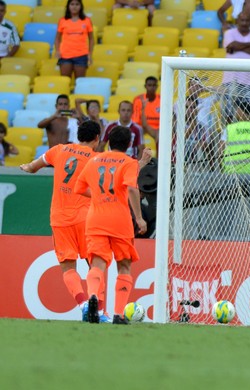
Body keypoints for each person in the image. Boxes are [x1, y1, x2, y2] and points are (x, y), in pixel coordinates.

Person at [19, 121, 102, 321]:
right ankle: (98, 309)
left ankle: (83, 305)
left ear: (78, 135)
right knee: (95, 265)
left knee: (68, 267)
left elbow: (33, 167)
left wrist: (26, 166)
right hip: (85, 218)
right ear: (97, 139)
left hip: (60, 218)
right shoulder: (97, 158)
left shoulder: (59, 150)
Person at [74, 126, 150, 324]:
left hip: (96, 219)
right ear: (128, 145)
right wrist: (140, 218)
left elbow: (79, 188)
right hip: (119, 221)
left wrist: (100, 196)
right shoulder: (128, 162)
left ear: (108, 142)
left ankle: (92, 296)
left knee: (97, 263)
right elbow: (132, 189)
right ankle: (118, 314)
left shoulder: (94, 160)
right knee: (124, 265)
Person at [222, 11, 250, 122]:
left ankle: (249, 136)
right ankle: (228, 136)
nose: (244, 23)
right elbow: (230, 46)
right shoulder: (229, 33)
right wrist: (249, 44)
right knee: (228, 111)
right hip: (231, 78)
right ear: (237, 21)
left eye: (247, 20)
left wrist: (236, 45)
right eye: (242, 20)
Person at [220, 99, 250, 175]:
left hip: (232, 174)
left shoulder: (229, 129)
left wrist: (223, 168)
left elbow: (221, 151)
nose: (236, 112)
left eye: (238, 109)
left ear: (242, 112)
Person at [54, 0, 94, 79]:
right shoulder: (62, 20)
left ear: (80, 6)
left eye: (77, 4)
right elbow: (57, 38)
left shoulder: (87, 21)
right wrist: (58, 51)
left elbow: (91, 39)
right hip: (65, 55)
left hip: (81, 55)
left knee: (80, 81)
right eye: (72, 4)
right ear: (68, 6)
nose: (74, 6)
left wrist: (90, 54)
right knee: (65, 81)